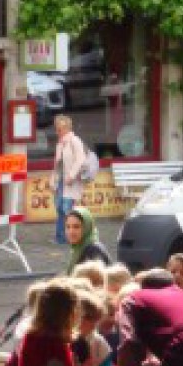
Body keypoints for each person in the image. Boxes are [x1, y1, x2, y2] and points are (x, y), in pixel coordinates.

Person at [50, 114, 87, 245]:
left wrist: (71, 175)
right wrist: (53, 180)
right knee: (60, 207)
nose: (57, 132)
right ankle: (61, 237)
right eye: (56, 128)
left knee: (68, 209)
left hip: (71, 180)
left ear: (67, 128)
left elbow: (80, 159)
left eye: (59, 129)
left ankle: (73, 237)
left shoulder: (75, 141)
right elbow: (57, 164)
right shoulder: (60, 143)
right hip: (61, 181)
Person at [65, 206, 112, 274]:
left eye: (76, 227)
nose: (71, 232)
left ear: (87, 227)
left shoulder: (93, 251)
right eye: (68, 227)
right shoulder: (78, 248)